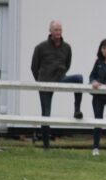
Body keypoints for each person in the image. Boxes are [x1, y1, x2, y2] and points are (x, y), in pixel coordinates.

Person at [31, 20, 83, 149]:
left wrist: (61, 74)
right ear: (50, 31)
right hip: (45, 82)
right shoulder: (40, 47)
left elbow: (67, 64)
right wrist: (40, 81)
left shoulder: (67, 47)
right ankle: (46, 146)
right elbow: (34, 67)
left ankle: (77, 110)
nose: (58, 32)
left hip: (60, 78)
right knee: (46, 114)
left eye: (60, 30)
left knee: (79, 78)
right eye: (56, 30)